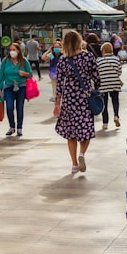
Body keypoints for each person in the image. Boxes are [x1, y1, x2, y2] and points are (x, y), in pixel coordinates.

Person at [54, 30, 99, 174]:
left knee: (71, 133)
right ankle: (82, 154)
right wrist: (95, 88)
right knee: (85, 129)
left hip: (69, 100)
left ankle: (74, 164)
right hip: (84, 98)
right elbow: (97, 77)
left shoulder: (63, 61)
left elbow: (59, 84)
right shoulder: (88, 56)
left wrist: (57, 103)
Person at [0, 42, 32, 136]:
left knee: (19, 107)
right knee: (9, 107)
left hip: (21, 87)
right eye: (11, 50)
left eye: (14, 50)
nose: (12, 52)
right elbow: (1, 75)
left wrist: (24, 74)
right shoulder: (5, 61)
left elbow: (30, 74)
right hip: (9, 87)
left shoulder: (24, 61)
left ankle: (19, 128)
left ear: (19, 51)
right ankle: (12, 126)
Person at [96, 41, 122, 130]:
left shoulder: (99, 60)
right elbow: (119, 72)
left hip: (103, 85)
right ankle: (116, 115)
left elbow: (97, 73)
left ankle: (105, 123)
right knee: (115, 101)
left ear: (103, 50)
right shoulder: (116, 59)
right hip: (114, 83)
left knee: (104, 104)